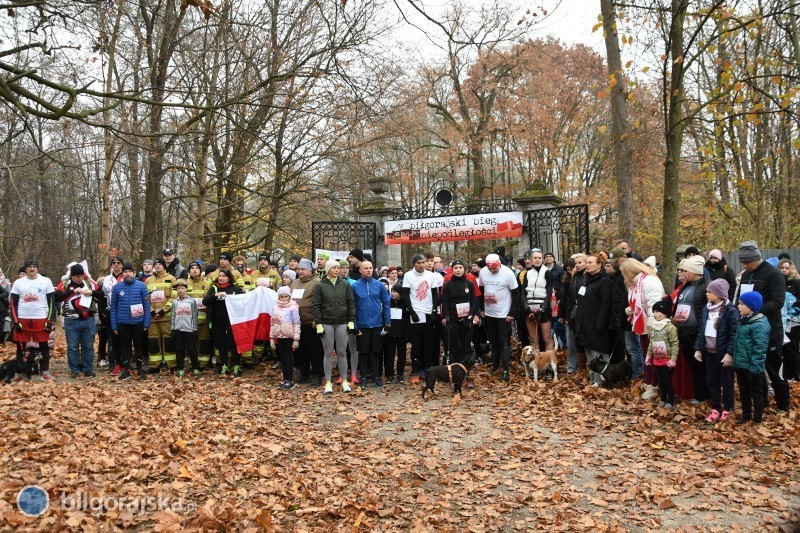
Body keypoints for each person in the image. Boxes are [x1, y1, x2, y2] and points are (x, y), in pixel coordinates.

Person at [734, 240, 789, 412]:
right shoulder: (745, 274)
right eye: (743, 262)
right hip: (748, 328)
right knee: (755, 369)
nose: (745, 265)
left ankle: (782, 405)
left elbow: (778, 301)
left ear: (756, 258)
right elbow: (740, 299)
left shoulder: (773, 274)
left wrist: (756, 312)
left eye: (747, 262)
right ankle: (761, 402)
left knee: (773, 369)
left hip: (770, 328)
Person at [694, 279, 739, 423]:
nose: (706, 294)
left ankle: (727, 408)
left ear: (719, 294)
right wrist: (699, 349)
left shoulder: (730, 310)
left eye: (710, 291)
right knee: (711, 381)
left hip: (723, 355)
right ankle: (715, 407)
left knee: (726, 382)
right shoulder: (705, 309)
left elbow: (734, 334)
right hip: (709, 353)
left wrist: (729, 353)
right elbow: (701, 330)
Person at [312, 259, 355, 393]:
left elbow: (351, 303)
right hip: (326, 322)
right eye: (334, 268)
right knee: (328, 353)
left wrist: (351, 321)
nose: (337, 270)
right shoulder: (320, 286)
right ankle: (328, 382)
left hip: (342, 322)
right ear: (328, 269)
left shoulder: (345, 285)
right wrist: (319, 323)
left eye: (338, 268)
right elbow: (316, 306)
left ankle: (345, 381)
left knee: (342, 352)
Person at [10, 260, 57, 381]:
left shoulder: (46, 281)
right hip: (22, 318)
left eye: (34, 267)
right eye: (29, 267)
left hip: (40, 317)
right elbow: (13, 303)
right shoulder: (18, 282)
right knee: (21, 347)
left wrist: (50, 320)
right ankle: (20, 373)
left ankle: (44, 372)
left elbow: (51, 301)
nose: (32, 269)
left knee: (44, 345)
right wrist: (16, 321)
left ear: (37, 268)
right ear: (25, 269)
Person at [619, 258, 664, 384]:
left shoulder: (649, 281)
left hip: (651, 326)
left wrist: (652, 326)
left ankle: (654, 383)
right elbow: (636, 302)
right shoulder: (635, 284)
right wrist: (630, 309)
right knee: (647, 356)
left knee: (653, 356)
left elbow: (654, 306)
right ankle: (648, 381)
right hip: (643, 325)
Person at [55, 264, 102, 378]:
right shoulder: (65, 284)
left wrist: (91, 293)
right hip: (71, 320)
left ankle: (88, 369)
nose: (79, 279)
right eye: (77, 277)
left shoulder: (89, 283)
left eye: (81, 276)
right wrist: (73, 292)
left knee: (88, 346)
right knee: (73, 347)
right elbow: (57, 297)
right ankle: (74, 369)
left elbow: (101, 294)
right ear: (71, 276)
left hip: (88, 320)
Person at [477, 253, 519, 382]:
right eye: (490, 268)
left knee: (503, 342)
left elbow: (516, 293)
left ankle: (506, 370)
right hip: (489, 313)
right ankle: (495, 366)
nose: (492, 270)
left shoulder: (508, 273)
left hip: (504, 314)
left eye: (494, 268)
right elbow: (481, 289)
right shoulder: (483, 271)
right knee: (493, 342)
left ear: (499, 264)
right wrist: (482, 309)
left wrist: (512, 313)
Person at [673, 255, 708, 404]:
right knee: (693, 367)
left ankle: (702, 396)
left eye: (685, 270)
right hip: (684, 332)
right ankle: (698, 394)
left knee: (700, 367)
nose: (682, 273)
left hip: (697, 333)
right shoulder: (685, 286)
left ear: (694, 272)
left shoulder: (706, 286)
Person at [402, 253, 442, 384]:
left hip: (429, 312)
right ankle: (416, 370)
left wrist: (434, 311)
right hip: (416, 313)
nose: (421, 265)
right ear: (414, 264)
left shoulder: (431, 276)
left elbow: (436, 296)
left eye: (422, 262)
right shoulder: (408, 276)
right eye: (418, 263)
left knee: (428, 344)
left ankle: (427, 369)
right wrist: (412, 312)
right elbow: (406, 295)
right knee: (417, 344)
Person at [352, 261, 391, 389]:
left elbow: (386, 304)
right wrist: (354, 326)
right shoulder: (355, 286)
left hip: (377, 324)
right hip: (362, 325)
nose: (368, 270)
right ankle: (363, 377)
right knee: (363, 352)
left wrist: (387, 323)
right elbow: (352, 307)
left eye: (370, 268)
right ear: (360, 270)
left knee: (376, 351)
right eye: (366, 268)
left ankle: (376, 377)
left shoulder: (379, 285)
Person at [574, 254, 612, 386]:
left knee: (598, 353)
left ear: (599, 265)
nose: (587, 265)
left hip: (597, 324)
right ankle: (593, 379)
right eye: (587, 262)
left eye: (590, 262)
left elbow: (605, 304)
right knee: (589, 352)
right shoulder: (586, 280)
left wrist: (600, 324)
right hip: (584, 323)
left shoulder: (604, 281)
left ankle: (601, 380)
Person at [733, 291, 771, 425]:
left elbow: (759, 349)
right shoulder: (742, 321)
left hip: (753, 366)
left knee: (756, 392)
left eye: (742, 304)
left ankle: (757, 419)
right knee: (743, 391)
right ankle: (746, 415)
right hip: (741, 364)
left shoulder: (759, 324)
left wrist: (756, 368)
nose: (738, 306)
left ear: (751, 306)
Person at [110, 263, 151, 381]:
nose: (128, 273)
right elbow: (113, 307)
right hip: (122, 323)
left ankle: (139, 369)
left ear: (134, 273)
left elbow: (147, 305)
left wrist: (146, 323)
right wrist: (114, 325)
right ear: (123, 274)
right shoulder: (117, 288)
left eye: (130, 271)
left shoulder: (142, 286)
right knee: (125, 346)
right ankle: (126, 370)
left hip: (138, 322)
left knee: (138, 345)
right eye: (126, 271)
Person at [203, 270, 244, 376]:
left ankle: (236, 366)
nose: (221, 278)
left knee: (234, 344)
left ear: (229, 278)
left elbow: (244, 300)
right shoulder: (214, 288)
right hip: (217, 322)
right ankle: (224, 365)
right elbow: (205, 301)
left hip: (232, 321)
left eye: (224, 276)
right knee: (221, 345)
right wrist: (215, 295)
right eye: (220, 276)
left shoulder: (234, 289)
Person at [441, 260, 479, 366]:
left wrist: (470, 316)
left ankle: (465, 368)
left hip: (467, 318)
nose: (458, 270)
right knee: (453, 344)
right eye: (456, 268)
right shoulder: (448, 284)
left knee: (466, 345)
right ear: (452, 270)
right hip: (453, 318)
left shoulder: (470, 284)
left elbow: (473, 301)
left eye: (460, 268)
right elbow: (445, 301)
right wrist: (447, 317)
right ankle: (454, 368)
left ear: (464, 269)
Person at [291, 258, 322, 385]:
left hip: (311, 322)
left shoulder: (317, 283)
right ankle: (304, 373)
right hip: (297, 322)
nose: (301, 271)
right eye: (299, 269)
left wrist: (317, 318)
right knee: (300, 350)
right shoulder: (294, 283)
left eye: (303, 269)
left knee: (314, 350)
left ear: (310, 270)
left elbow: (320, 302)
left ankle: (318, 374)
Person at [645, 299, 679, 409]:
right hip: (657, 359)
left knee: (668, 381)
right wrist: (649, 355)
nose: (655, 314)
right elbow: (651, 342)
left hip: (667, 360)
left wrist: (673, 359)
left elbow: (674, 343)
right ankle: (663, 400)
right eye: (654, 311)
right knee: (661, 381)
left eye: (658, 311)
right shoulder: (654, 327)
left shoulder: (670, 327)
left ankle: (670, 401)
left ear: (665, 312)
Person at [146, 258, 176, 373]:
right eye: (156, 264)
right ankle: (155, 366)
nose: (157, 266)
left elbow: (174, 296)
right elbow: (146, 298)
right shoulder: (149, 280)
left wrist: (164, 311)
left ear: (164, 266)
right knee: (153, 341)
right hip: (153, 318)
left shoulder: (171, 279)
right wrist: (152, 311)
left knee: (168, 341)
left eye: (160, 264)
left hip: (166, 317)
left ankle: (172, 365)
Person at [522, 249, 556, 352]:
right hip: (530, 307)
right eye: (535, 258)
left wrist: (543, 308)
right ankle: (536, 364)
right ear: (531, 260)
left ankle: (549, 364)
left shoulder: (547, 272)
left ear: (543, 259)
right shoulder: (527, 273)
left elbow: (549, 291)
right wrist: (526, 307)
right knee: (533, 338)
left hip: (543, 307)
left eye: (539, 258)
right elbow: (523, 292)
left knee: (546, 338)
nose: (537, 260)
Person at [98, 256, 125, 374]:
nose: (116, 264)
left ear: (122, 265)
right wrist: (102, 313)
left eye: (119, 263)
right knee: (111, 338)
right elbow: (102, 296)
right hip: (110, 311)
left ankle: (124, 362)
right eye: (114, 263)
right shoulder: (107, 279)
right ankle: (112, 363)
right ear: (111, 265)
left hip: (124, 311)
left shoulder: (126, 277)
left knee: (124, 338)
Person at [270, 286, 301, 390]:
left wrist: (296, 339)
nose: (283, 299)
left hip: (288, 336)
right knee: (282, 358)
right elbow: (273, 323)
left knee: (288, 358)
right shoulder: (275, 307)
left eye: (285, 297)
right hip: (279, 335)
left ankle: (290, 379)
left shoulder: (293, 307)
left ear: (289, 296)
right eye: (281, 297)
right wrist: (271, 338)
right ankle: (284, 378)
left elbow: (296, 323)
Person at [170, 278, 200, 378]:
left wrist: (195, 328)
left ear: (186, 289)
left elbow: (195, 315)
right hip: (178, 330)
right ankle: (181, 369)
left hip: (189, 329)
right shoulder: (175, 302)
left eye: (182, 288)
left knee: (192, 350)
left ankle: (195, 368)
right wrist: (172, 328)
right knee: (179, 350)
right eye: (178, 288)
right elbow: (173, 316)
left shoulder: (191, 301)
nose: (180, 290)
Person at [562, 254, 587, 374]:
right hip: (572, 315)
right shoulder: (573, 278)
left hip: (585, 315)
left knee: (584, 344)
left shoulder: (588, 277)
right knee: (571, 344)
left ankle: (584, 368)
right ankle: (572, 368)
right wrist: (567, 316)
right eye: (575, 263)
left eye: (579, 262)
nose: (577, 265)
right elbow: (568, 298)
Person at [186, 261, 212, 370]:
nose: (195, 270)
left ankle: (203, 364)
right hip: (189, 320)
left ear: (201, 271)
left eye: (197, 268)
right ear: (189, 271)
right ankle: (193, 364)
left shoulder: (207, 283)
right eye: (192, 268)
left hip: (204, 320)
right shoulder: (184, 283)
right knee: (191, 343)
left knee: (204, 341)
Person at [779, 259, 800, 381]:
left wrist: (792, 304)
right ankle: (786, 375)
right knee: (783, 349)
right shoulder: (777, 282)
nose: (784, 270)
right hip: (781, 320)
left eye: (787, 268)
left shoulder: (796, 283)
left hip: (794, 320)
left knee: (792, 348)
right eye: (782, 268)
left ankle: (795, 375)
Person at [385, 284, 409, 383]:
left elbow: (407, 320)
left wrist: (407, 333)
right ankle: (389, 374)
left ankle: (400, 374)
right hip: (390, 334)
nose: (393, 293)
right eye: (392, 291)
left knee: (402, 355)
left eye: (395, 291)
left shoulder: (405, 304)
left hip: (401, 333)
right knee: (389, 355)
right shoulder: (388, 303)